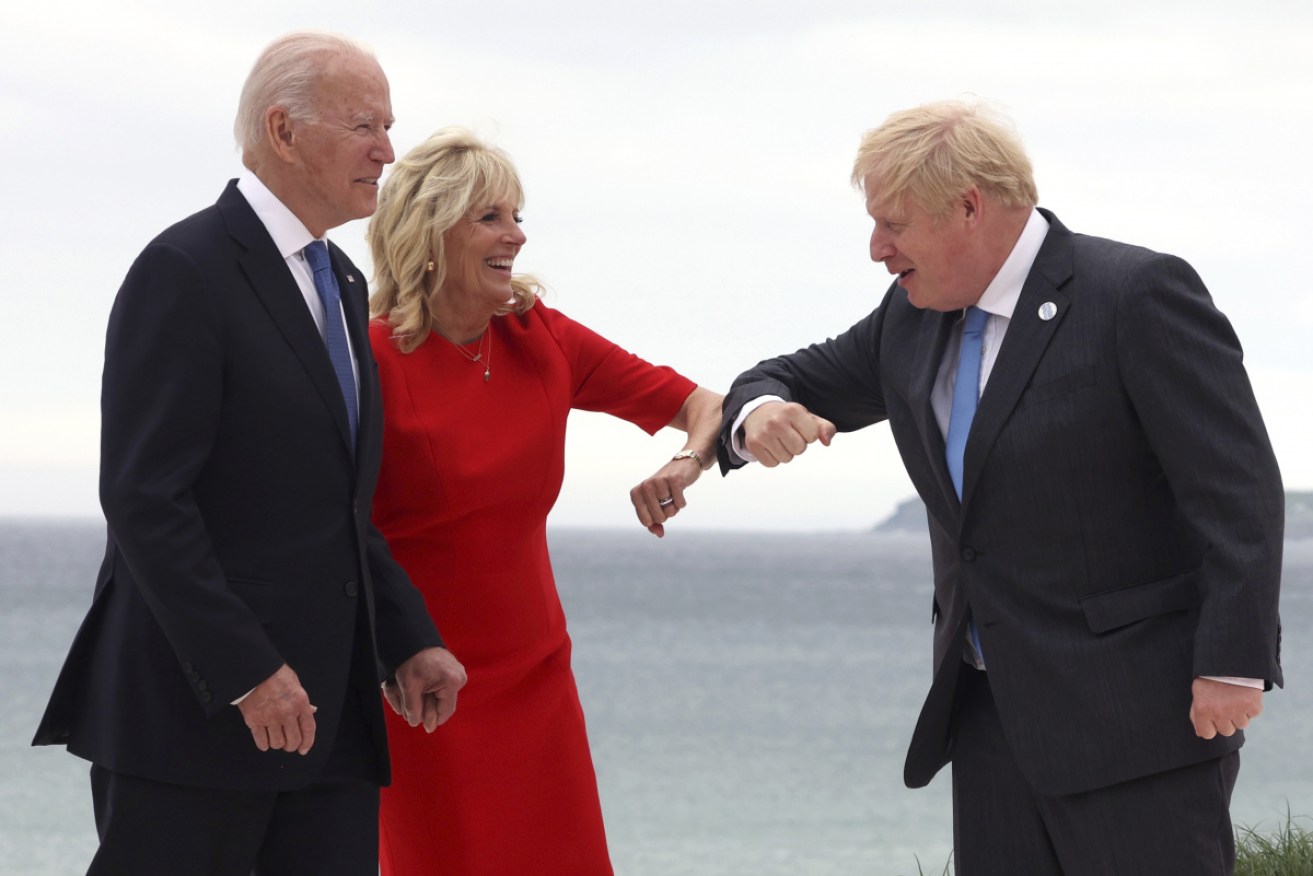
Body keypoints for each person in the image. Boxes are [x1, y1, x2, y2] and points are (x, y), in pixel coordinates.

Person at [718, 100, 1283, 875]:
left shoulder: (1135, 293)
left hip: (1136, 726)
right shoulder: (911, 315)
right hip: (988, 723)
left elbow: (1236, 486)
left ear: (968, 207)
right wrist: (758, 413)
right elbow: (782, 377)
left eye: (893, 224)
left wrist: (1231, 660)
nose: (876, 249)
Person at [32, 31, 467, 875]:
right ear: (283, 130)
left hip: (328, 722)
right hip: (194, 719)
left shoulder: (342, 281)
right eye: (364, 126)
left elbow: (340, 503)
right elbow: (146, 501)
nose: (387, 150)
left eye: (389, 126)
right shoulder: (182, 270)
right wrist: (247, 672)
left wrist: (408, 638)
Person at [365, 127, 722, 874]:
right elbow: (327, 523)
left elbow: (704, 405)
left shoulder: (541, 340)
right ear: (430, 233)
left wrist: (684, 464)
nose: (517, 236)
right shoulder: (368, 358)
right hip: (419, 685)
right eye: (491, 218)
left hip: (536, 679)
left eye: (518, 216)